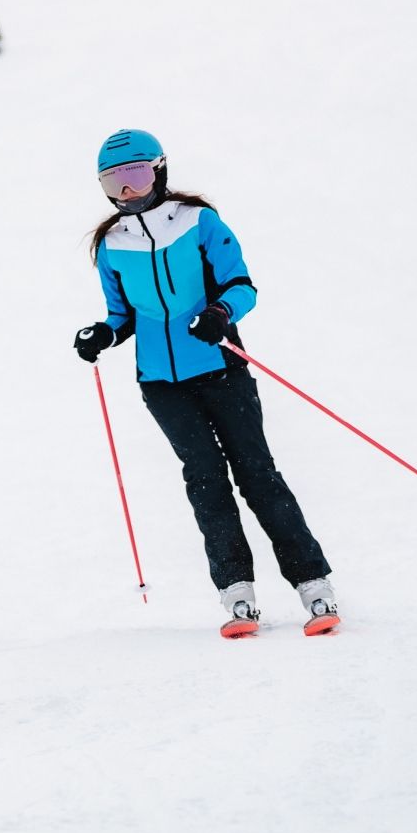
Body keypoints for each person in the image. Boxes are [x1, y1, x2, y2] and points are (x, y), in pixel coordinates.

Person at [74, 130, 339, 638]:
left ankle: (314, 584)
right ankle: (237, 594)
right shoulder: (111, 243)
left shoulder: (198, 222)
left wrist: (220, 313)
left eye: (137, 175)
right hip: (161, 384)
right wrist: (102, 333)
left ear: (160, 170)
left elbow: (241, 285)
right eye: (114, 181)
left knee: (258, 475)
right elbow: (122, 313)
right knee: (205, 481)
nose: (127, 191)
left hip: (222, 371)